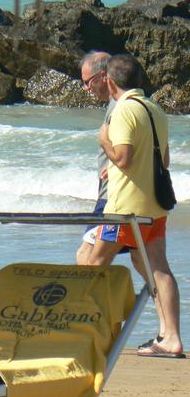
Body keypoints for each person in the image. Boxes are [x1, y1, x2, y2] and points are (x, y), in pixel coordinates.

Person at [86, 54, 184, 358]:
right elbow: (162, 160)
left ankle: (83, 335)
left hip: (124, 209)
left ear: (110, 82)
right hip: (154, 206)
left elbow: (124, 157)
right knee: (158, 268)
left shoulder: (124, 110)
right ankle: (172, 338)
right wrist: (114, 166)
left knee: (91, 266)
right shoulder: (156, 109)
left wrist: (105, 143)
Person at [76, 51, 114, 265]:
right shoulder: (126, 104)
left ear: (103, 76)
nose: (87, 89)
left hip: (112, 199)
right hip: (120, 196)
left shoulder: (120, 106)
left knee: (87, 257)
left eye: (88, 82)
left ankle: (85, 300)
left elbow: (125, 153)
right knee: (147, 261)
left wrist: (115, 167)